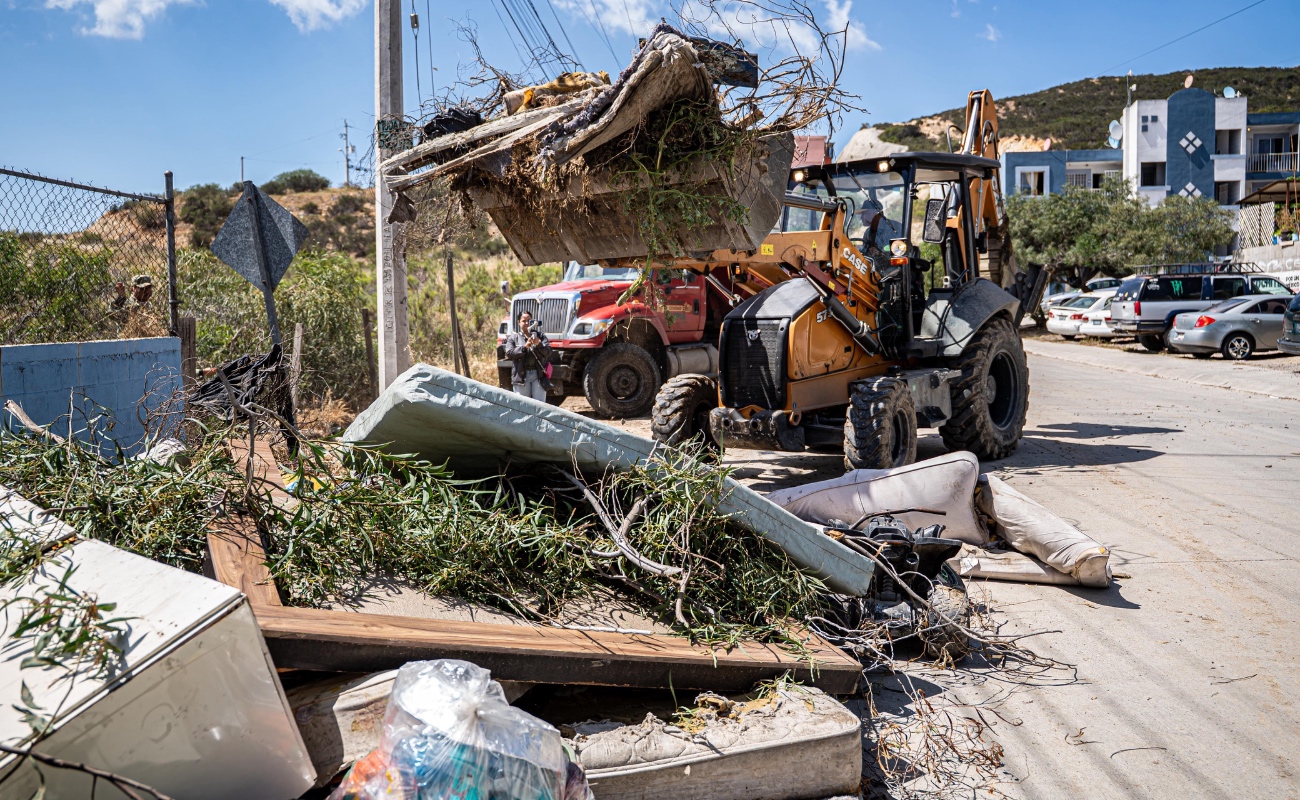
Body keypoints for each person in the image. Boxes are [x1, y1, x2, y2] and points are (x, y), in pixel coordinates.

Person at [503, 311, 552, 402]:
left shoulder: (540, 336)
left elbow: (548, 352)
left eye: (529, 321)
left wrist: (539, 344)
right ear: (518, 322)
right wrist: (524, 348)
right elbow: (509, 353)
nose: (526, 323)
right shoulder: (513, 338)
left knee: (540, 406)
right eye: (523, 321)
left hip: (538, 376)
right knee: (523, 406)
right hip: (521, 377)